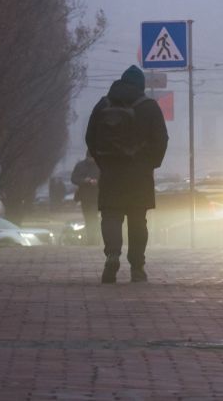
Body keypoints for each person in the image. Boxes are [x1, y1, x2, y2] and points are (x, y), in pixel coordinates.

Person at [85, 65, 168, 284]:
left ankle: (112, 255)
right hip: (139, 175)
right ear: (141, 86)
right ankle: (137, 267)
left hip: (111, 173)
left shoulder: (103, 104)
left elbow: (90, 137)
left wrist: (103, 161)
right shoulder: (150, 107)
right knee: (138, 220)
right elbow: (161, 140)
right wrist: (150, 163)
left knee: (111, 216)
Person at [70, 154, 101, 246]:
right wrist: (84, 181)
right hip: (85, 197)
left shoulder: (99, 165)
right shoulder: (80, 166)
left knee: (93, 218)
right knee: (88, 218)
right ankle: (91, 239)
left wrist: (97, 182)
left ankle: (94, 239)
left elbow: (105, 179)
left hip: (96, 196)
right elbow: (73, 179)